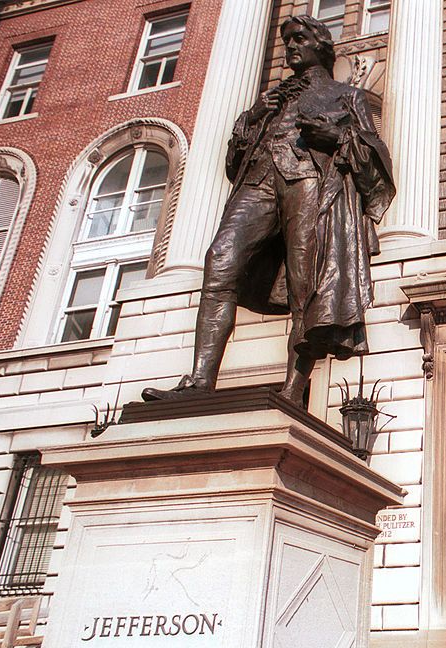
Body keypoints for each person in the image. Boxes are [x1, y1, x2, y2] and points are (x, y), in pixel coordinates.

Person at [143, 14, 395, 405]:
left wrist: (337, 136)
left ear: (321, 46)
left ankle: (294, 391)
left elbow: (376, 159)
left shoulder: (346, 95)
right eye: (287, 40)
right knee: (219, 260)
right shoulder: (270, 101)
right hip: (259, 180)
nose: (290, 47)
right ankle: (199, 381)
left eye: (298, 39)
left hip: (308, 181)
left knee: (305, 285)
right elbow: (233, 162)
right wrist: (256, 115)